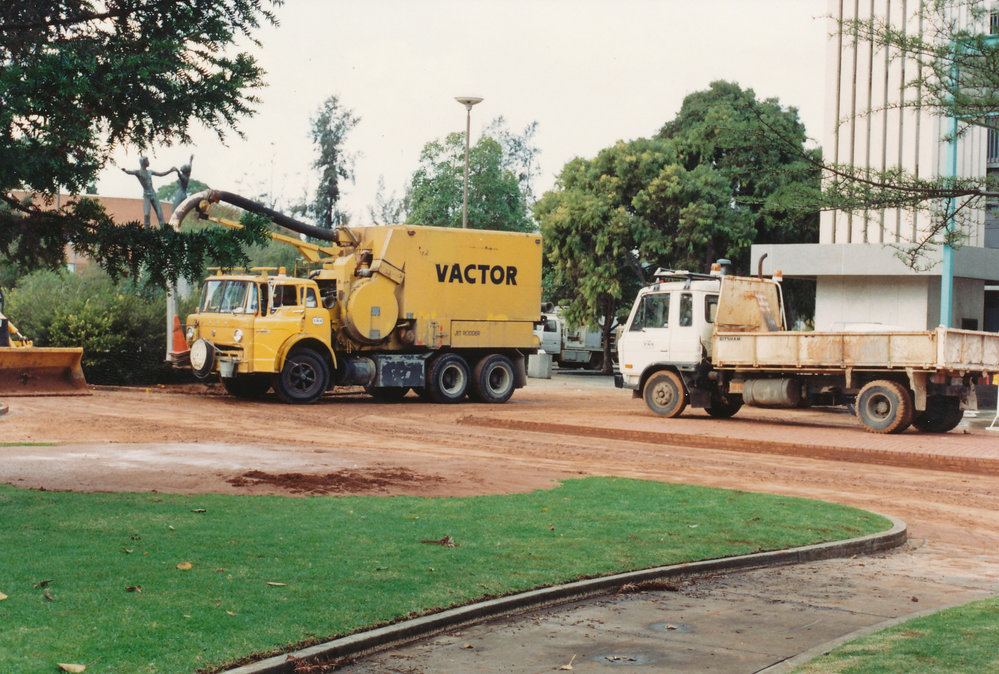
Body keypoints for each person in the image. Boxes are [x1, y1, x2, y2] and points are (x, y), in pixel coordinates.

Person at [121, 156, 172, 226]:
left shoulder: (150, 172)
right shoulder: (138, 172)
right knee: (146, 214)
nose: (149, 162)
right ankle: (147, 232)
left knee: (159, 213)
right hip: (146, 195)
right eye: (147, 160)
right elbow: (131, 172)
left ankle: (164, 230)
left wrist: (170, 170)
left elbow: (161, 174)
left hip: (153, 194)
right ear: (144, 162)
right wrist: (125, 171)